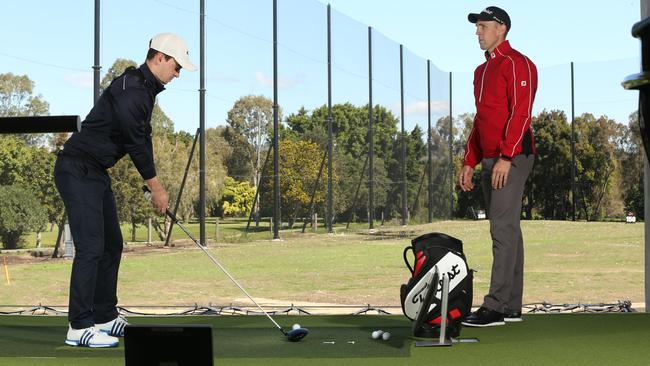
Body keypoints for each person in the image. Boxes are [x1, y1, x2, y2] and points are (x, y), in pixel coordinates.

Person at [54, 33, 196, 347]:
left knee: (112, 244)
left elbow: (142, 139)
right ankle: (79, 327)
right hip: (77, 168)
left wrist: (154, 185)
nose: (178, 74)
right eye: (176, 66)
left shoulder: (144, 89)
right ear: (160, 57)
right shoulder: (133, 91)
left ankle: (105, 316)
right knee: (91, 247)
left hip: (94, 172)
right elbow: (136, 146)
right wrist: (157, 189)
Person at [458, 7, 538, 327]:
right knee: (508, 229)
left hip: (514, 157)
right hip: (491, 158)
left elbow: (521, 114)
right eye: (477, 27)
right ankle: (512, 306)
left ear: (501, 28)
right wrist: (469, 160)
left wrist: (506, 157)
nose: (477, 32)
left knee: (501, 229)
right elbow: (482, 121)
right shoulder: (480, 72)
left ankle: (495, 307)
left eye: (483, 26)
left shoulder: (518, 64)